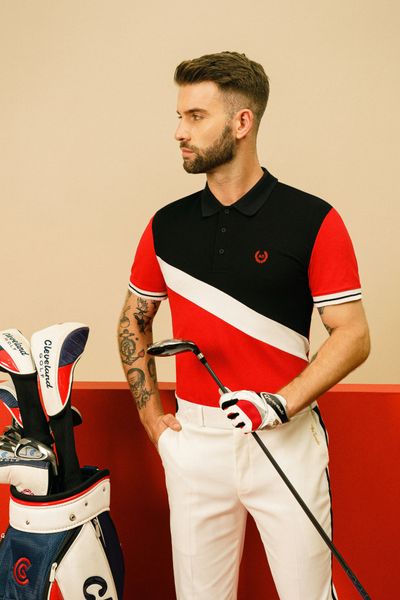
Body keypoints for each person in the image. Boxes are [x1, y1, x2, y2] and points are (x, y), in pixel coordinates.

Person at [118, 52, 370, 600]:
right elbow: (132, 323)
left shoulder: (313, 219)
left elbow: (353, 335)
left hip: (286, 438)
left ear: (241, 122)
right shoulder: (166, 226)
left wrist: (280, 404)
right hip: (195, 444)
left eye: (195, 117)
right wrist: (156, 425)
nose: (179, 132)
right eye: (180, 116)